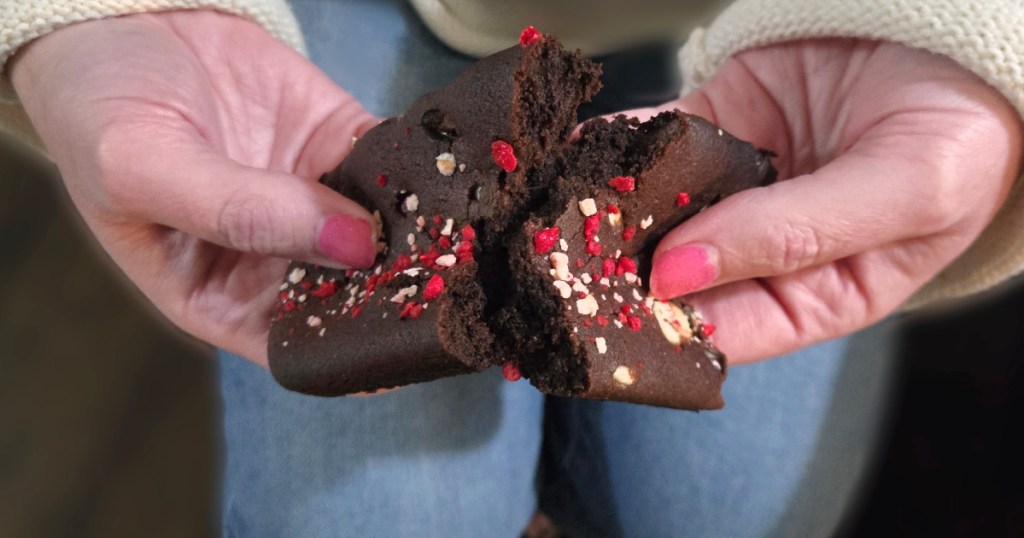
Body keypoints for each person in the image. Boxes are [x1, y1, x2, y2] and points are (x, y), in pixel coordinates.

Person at [2, 0, 1021, 535]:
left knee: (714, 511)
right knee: (374, 520)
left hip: (809, 18)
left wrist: (969, 34)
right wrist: (98, 10)